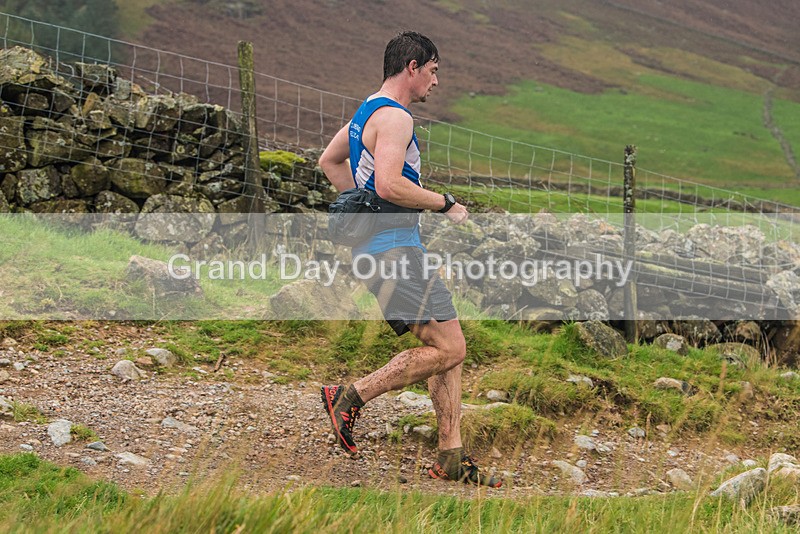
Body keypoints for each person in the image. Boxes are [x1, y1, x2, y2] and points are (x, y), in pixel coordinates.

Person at [318, 31, 501, 488]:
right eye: (434, 71)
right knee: (452, 348)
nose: (436, 83)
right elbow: (388, 185)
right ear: (413, 66)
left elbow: (330, 161)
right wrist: (445, 202)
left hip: (387, 249)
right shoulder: (396, 118)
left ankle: (452, 455)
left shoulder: (367, 110)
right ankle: (350, 395)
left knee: (448, 346)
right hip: (392, 253)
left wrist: (361, 212)